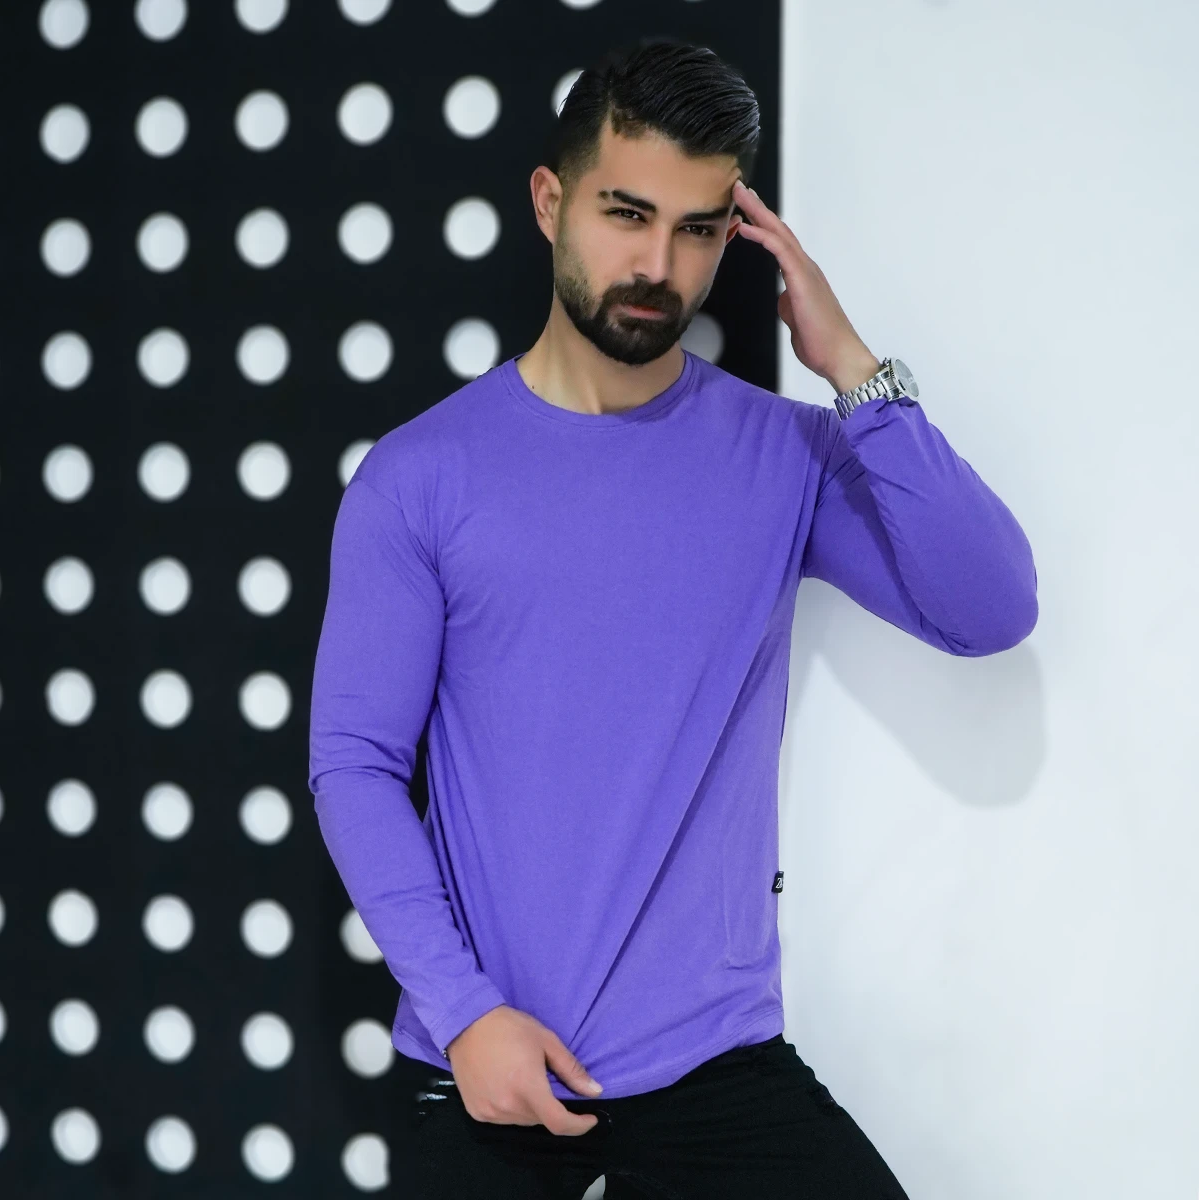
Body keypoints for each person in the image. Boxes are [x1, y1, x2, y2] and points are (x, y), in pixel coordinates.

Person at [307, 35, 1038, 1199]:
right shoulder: (420, 477)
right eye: (626, 214)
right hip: (499, 1063)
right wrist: (464, 1013)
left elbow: (989, 607)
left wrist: (852, 368)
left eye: (699, 229)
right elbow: (354, 764)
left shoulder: (785, 456)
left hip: (719, 1073)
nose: (658, 264)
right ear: (551, 202)